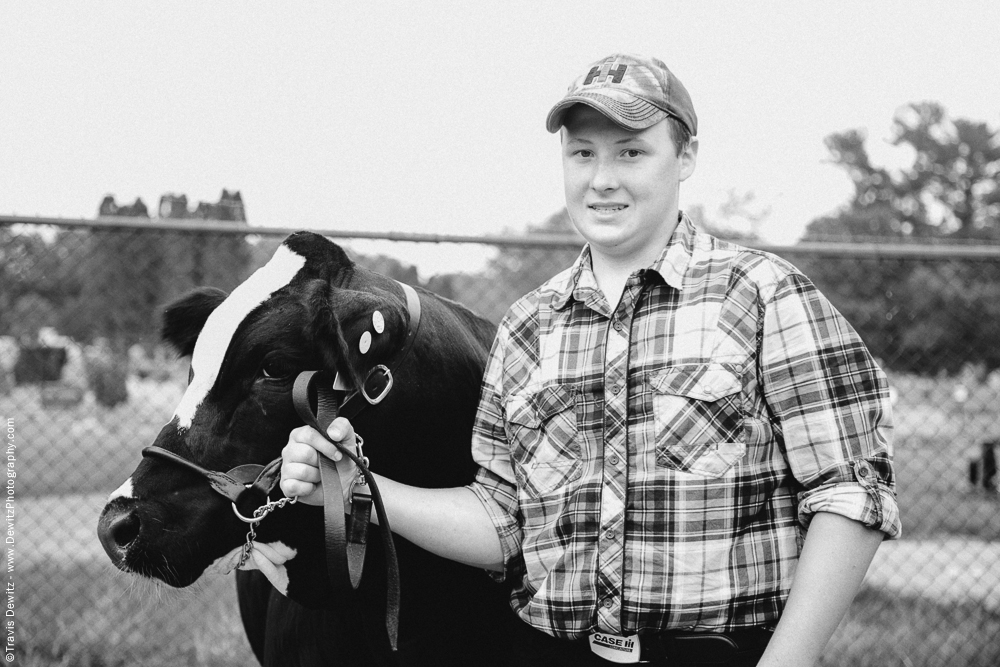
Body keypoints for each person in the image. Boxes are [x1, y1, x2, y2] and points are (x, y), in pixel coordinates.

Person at [280, 53, 900, 666]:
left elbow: (852, 492)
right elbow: (503, 520)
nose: (602, 178)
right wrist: (362, 486)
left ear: (685, 157)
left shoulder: (764, 295)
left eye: (631, 151)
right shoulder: (528, 326)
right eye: (583, 153)